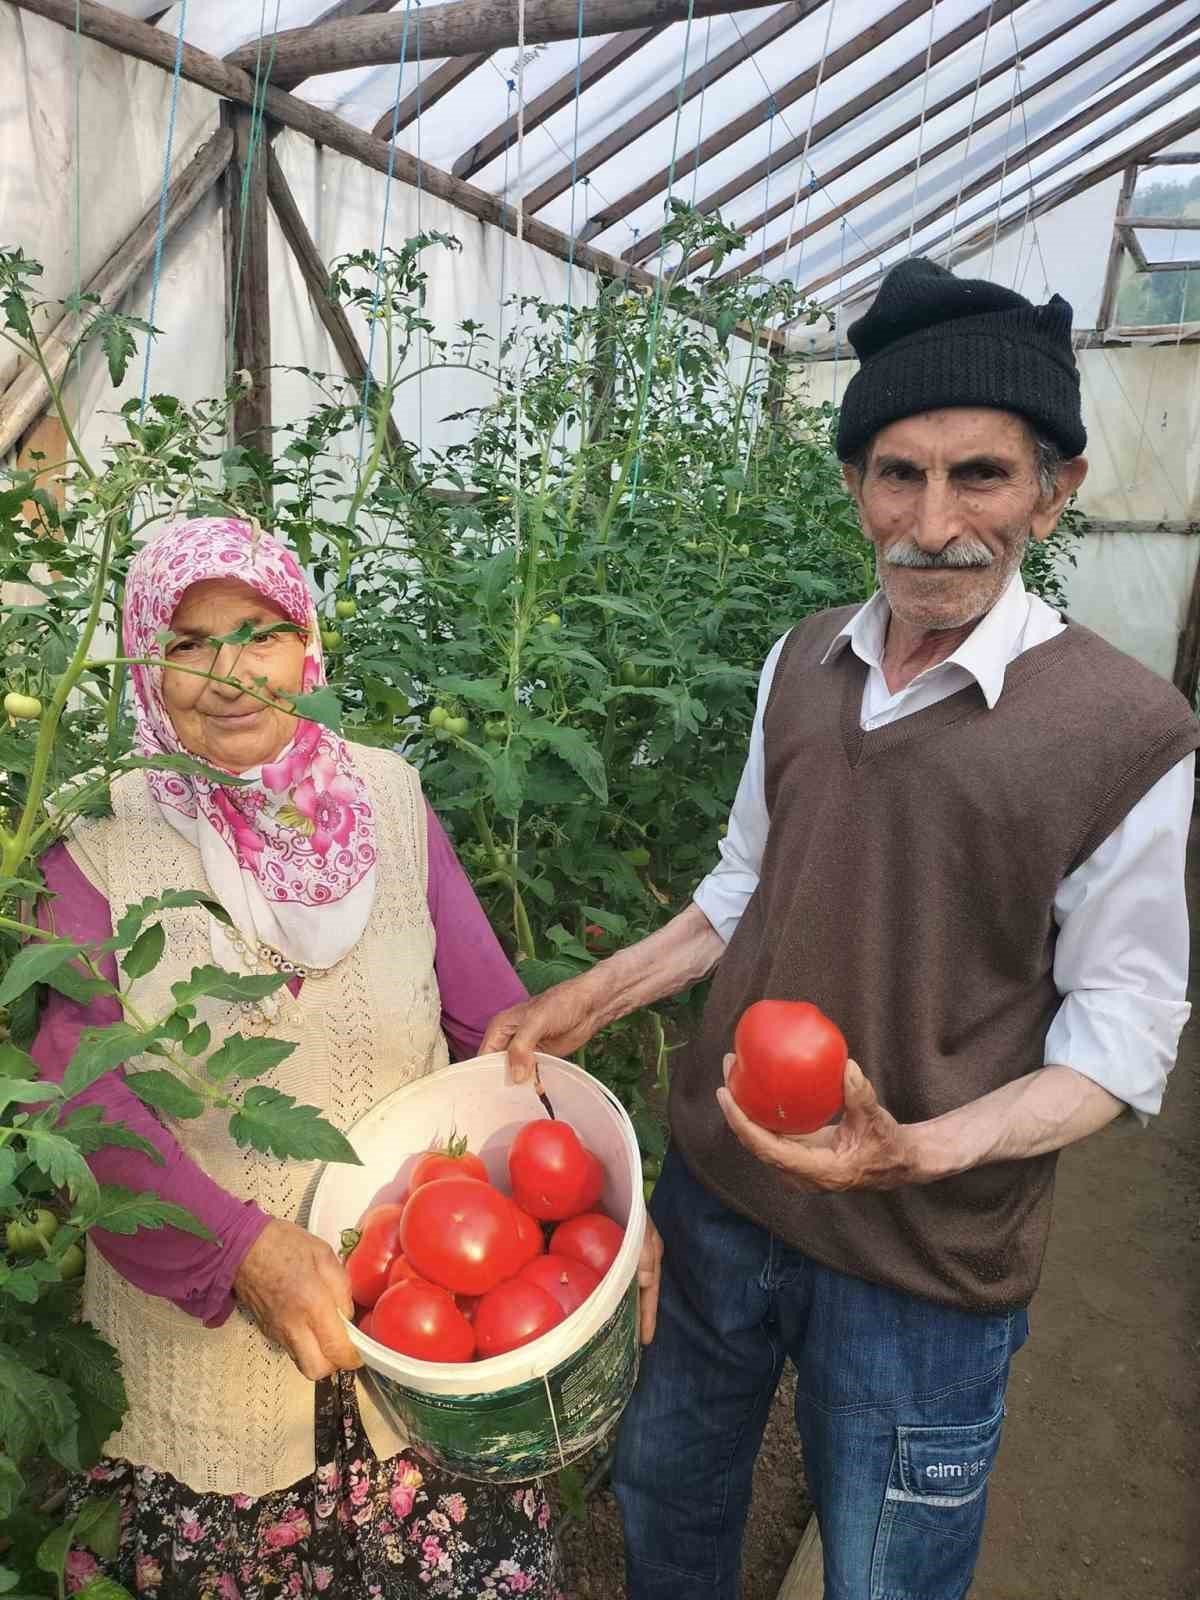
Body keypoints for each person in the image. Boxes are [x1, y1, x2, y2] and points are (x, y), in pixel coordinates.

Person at [482, 259, 1200, 1600]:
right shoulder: (804, 660)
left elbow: (1121, 1036)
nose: (933, 523)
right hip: (726, 1197)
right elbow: (743, 883)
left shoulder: (1126, 733)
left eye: (980, 475)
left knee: (887, 1567)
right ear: (855, 486)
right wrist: (602, 991)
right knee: (669, 1490)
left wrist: (918, 1149)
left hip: (924, 1256)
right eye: (895, 473)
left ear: (1057, 490)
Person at [36, 517, 566, 1598]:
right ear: (140, 653)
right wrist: (240, 1247)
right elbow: (83, 1096)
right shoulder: (95, 835)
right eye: (186, 643)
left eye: (261, 632)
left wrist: (581, 1205)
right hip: (211, 1401)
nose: (231, 672)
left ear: (306, 643)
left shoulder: (389, 800)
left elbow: (491, 1024)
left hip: (424, 1349)